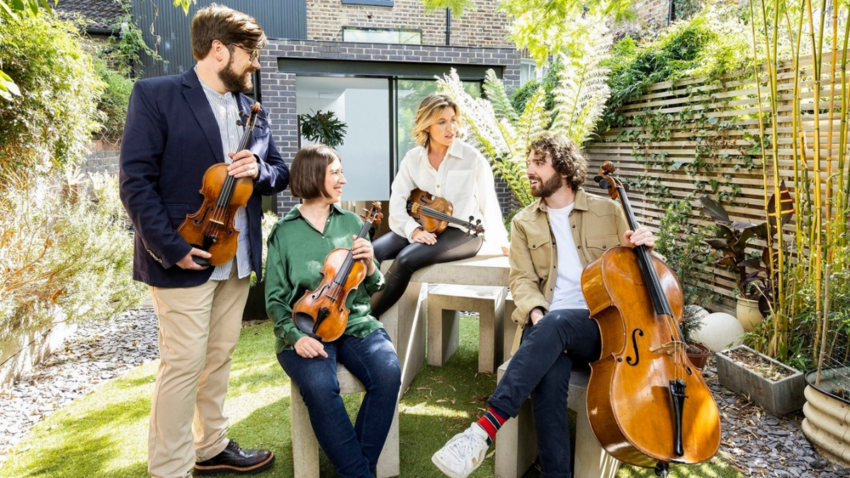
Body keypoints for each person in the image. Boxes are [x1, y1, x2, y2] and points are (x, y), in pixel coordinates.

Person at [118, 5, 289, 477]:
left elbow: (280, 172)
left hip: (237, 259)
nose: (255, 63)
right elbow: (135, 182)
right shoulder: (156, 95)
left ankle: (209, 446)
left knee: (218, 358)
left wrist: (262, 170)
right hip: (184, 258)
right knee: (183, 366)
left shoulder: (251, 107)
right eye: (248, 53)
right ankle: (169, 469)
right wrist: (171, 248)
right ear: (219, 50)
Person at [431, 134, 657, 478]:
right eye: (529, 163)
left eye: (539, 163)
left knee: (560, 323)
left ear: (564, 170)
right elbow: (521, 280)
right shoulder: (523, 222)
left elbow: (643, 270)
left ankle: (484, 430)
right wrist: (537, 314)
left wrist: (645, 245)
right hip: (551, 327)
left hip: (603, 328)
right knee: (549, 378)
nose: (529, 170)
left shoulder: (607, 211)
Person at [265, 145, 401, 478]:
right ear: (313, 177)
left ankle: (356, 471)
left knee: (388, 373)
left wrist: (370, 266)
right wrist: (295, 338)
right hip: (307, 327)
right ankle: (360, 472)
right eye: (335, 173)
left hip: (354, 322)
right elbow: (275, 299)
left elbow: (373, 286)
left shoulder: (354, 222)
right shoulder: (284, 233)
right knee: (320, 388)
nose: (343, 179)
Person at [370, 93, 510, 318]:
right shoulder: (413, 159)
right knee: (372, 252)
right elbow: (397, 201)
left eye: (453, 119)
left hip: (463, 233)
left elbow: (488, 203)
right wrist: (413, 230)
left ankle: (365, 321)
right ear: (426, 126)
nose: (450, 127)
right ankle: (344, 311)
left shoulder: (472, 158)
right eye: (442, 121)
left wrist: (503, 243)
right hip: (422, 226)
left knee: (405, 259)